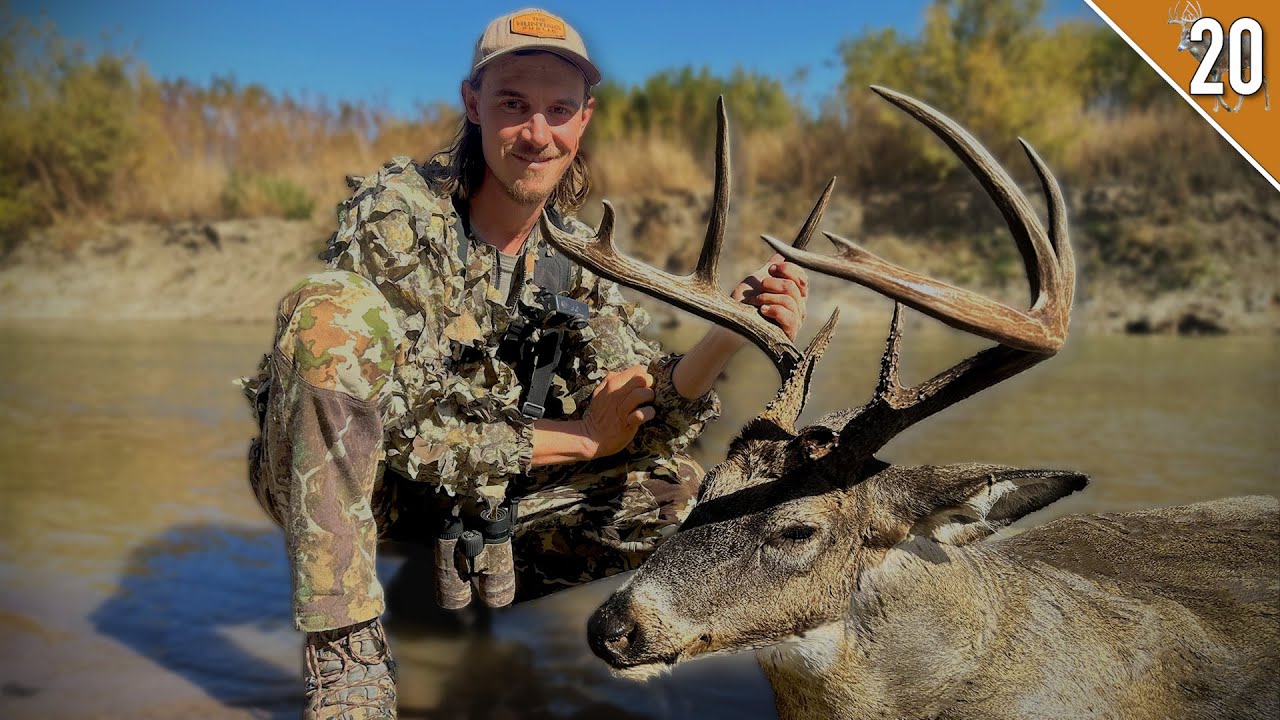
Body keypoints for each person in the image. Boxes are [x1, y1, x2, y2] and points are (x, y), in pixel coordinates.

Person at [239, 8, 810, 719]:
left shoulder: (578, 256)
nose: (536, 133)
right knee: (328, 314)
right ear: (473, 105)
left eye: (557, 110)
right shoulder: (400, 213)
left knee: (676, 490)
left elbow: (634, 409)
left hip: (484, 494)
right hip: (371, 488)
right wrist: (581, 440)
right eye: (513, 104)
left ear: (583, 120)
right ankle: (345, 648)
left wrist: (732, 328)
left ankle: (467, 564)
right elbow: (408, 430)